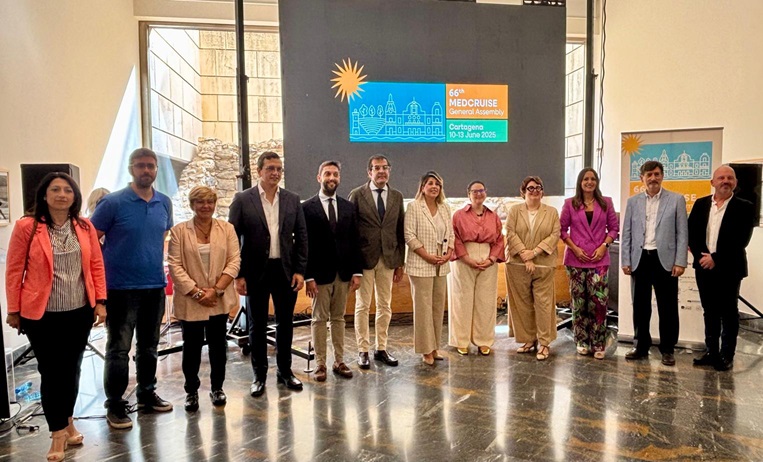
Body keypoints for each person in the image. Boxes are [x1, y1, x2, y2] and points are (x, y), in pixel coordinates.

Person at [5, 172, 107, 461]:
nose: (62, 195)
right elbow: (14, 269)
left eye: (68, 190)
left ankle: (68, 420)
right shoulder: (27, 227)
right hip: (41, 315)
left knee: (72, 369)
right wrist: (13, 309)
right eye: (55, 189)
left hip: (79, 311)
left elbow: (96, 265)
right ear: (44, 195)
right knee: (51, 373)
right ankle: (57, 434)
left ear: (75, 196)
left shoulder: (84, 226)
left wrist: (100, 302)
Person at [90, 147, 174, 429]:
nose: (146, 170)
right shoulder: (112, 203)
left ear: (156, 169)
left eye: (150, 166)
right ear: (131, 169)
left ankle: (146, 395)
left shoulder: (164, 203)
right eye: (140, 165)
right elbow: (91, 241)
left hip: (154, 285)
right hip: (120, 288)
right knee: (118, 349)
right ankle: (115, 404)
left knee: (149, 347)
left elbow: (160, 236)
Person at [229, 151, 308, 397]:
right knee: (257, 325)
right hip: (255, 272)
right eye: (270, 168)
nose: (275, 173)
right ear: (259, 171)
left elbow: (302, 237)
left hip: (285, 271)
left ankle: (285, 371)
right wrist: (238, 275)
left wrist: (300, 270)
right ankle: (259, 375)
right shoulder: (243, 199)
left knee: (285, 323)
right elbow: (232, 239)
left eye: (278, 169)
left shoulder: (292, 199)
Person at [168, 186, 240, 411]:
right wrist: (198, 293)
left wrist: (216, 290)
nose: (205, 206)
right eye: (200, 202)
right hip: (191, 300)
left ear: (215, 204)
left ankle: (217, 388)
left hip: (219, 298)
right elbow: (174, 265)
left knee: (219, 346)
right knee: (192, 347)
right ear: (192, 205)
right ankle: (191, 391)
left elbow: (234, 261)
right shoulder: (179, 231)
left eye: (210, 202)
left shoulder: (227, 229)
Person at [688, 165, 755, 371]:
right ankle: (711, 352)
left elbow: (741, 239)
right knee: (709, 311)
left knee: (728, 312)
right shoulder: (700, 204)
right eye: (721, 178)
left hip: (729, 268)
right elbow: (692, 233)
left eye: (729, 178)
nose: (725, 181)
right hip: (703, 267)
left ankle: (727, 354)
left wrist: (715, 258)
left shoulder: (745, 207)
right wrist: (703, 258)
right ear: (713, 182)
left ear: (735, 182)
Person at [621, 160, 688, 366]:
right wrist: (625, 260)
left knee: (667, 307)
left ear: (662, 176)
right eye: (649, 175)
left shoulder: (676, 200)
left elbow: (682, 233)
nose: (653, 178)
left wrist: (680, 261)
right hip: (640, 259)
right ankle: (641, 346)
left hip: (664, 260)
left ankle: (667, 349)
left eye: (657, 174)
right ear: (642, 178)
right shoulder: (633, 202)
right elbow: (627, 233)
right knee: (640, 306)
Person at [302, 161, 363, 382]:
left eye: (335, 174)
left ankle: (339, 361)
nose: (332, 178)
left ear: (339, 178)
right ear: (319, 177)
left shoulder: (348, 207)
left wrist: (357, 272)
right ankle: (320, 364)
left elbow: (355, 240)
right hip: (319, 275)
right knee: (319, 319)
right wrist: (308, 276)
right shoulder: (306, 208)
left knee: (338, 318)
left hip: (343, 274)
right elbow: (304, 244)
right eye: (327, 174)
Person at [348, 154, 405, 369]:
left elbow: (400, 230)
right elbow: (350, 231)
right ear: (369, 172)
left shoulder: (397, 196)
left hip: (388, 259)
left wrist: (400, 262)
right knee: (362, 305)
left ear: (389, 171)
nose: (381, 171)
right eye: (376, 168)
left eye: (385, 167)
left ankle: (381, 348)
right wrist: (353, 265)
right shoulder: (357, 195)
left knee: (385, 305)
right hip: (364, 260)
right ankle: (363, 350)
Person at [559, 168, 619, 359]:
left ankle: (598, 342)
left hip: (599, 258)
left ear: (597, 182)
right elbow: (562, 230)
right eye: (586, 179)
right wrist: (575, 249)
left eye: (593, 179)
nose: (589, 182)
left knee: (599, 303)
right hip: (576, 258)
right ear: (580, 182)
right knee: (579, 302)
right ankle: (582, 340)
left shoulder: (606, 202)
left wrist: (604, 246)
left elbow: (614, 228)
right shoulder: (570, 203)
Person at [504, 176, 560, 361]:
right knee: (522, 304)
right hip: (517, 264)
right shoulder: (514, 211)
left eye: (538, 187)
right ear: (523, 192)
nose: (534, 190)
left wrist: (534, 253)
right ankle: (528, 339)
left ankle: (544, 343)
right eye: (530, 188)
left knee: (544, 304)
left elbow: (554, 235)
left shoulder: (551, 212)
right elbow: (510, 232)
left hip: (543, 264)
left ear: (542, 191)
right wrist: (524, 254)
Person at [448, 180, 504, 356]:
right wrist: (466, 258)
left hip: (488, 259)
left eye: (481, 190)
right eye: (474, 191)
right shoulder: (458, 215)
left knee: (486, 301)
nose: (478, 194)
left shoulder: (493, 216)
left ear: (485, 193)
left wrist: (491, 258)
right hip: (464, 259)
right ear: (468, 194)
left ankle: (483, 340)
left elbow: (499, 239)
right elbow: (454, 238)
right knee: (461, 300)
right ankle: (461, 340)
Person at [404, 171, 455, 365]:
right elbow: (409, 235)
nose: (434, 187)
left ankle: (434, 347)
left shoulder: (445, 208)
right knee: (423, 308)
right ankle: (425, 349)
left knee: (437, 307)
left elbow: (451, 234)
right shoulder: (414, 207)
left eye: (437, 184)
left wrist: (449, 253)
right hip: (421, 263)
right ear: (423, 187)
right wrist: (427, 255)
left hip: (441, 263)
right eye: (430, 183)